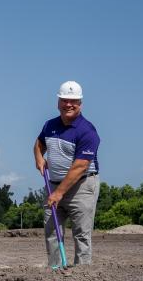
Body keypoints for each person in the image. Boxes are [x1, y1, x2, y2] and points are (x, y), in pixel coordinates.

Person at [34, 80, 101, 267]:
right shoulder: (50, 125)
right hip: (54, 184)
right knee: (52, 230)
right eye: (65, 100)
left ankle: (82, 274)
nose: (68, 104)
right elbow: (39, 143)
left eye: (74, 101)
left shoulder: (87, 131)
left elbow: (80, 166)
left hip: (81, 186)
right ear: (58, 102)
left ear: (80, 104)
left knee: (81, 233)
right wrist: (39, 157)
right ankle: (55, 270)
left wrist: (59, 193)